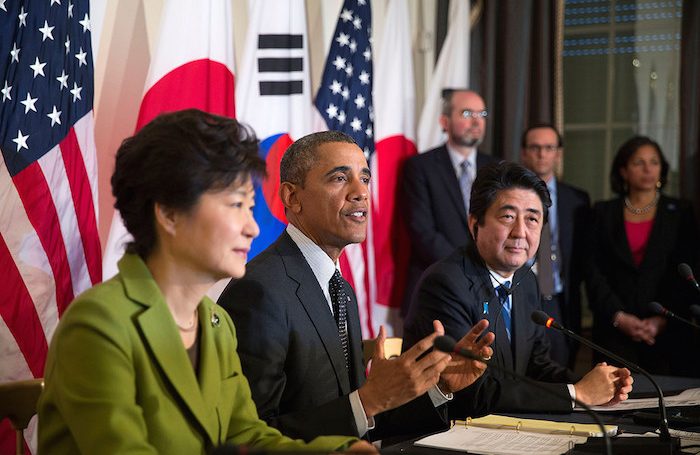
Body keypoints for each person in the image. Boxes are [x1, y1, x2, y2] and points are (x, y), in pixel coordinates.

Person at [37, 110, 375, 454]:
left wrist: (338, 452)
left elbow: (249, 437)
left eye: (251, 207)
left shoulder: (215, 325)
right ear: (169, 213)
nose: (252, 228)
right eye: (235, 205)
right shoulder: (98, 325)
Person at [218, 131, 495, 442]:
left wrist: (436, 387)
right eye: (339, 178)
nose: (360, 192)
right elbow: (246, 439)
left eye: (365, 178)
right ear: (292, 197)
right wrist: (367, 400)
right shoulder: (259, 291)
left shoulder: (341, 290)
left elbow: (361, 423)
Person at [404, 161, 633, 412]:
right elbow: (473, 391)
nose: (520, 232)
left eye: (532, 219)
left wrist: (593, 385)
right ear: (474, 224)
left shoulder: (526, 281)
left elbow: (537, 366)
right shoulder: (446, 284)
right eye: (508, 217)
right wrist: (577, 394)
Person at [586, 136, 700, 376]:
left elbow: (687, 270)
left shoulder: (680, 212)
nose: (648, 169)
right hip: (614, 333)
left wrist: (662, 319)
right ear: (623, 171)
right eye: (639, 162)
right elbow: (594, 271)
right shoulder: (603, 212)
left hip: (669, 333)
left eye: (654, 162)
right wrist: (619, 317)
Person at [401, 89, 497, 315]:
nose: (476, 121)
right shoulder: (420, 167)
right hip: (436, 286)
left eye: (481, 114)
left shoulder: (497, 168)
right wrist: (468, 268)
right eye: (466, 113)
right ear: (444, 121)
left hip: (488, 290)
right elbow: (422, 231)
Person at [520, 123, 591, 368]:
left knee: (561, 367)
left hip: (561, 298)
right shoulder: (508, 196)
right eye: (535, 147)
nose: (542, 154)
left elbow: (583, 255)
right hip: (519, 293)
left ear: (558, 154)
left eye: (549, 148)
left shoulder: (578, 199)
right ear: (524, 152)